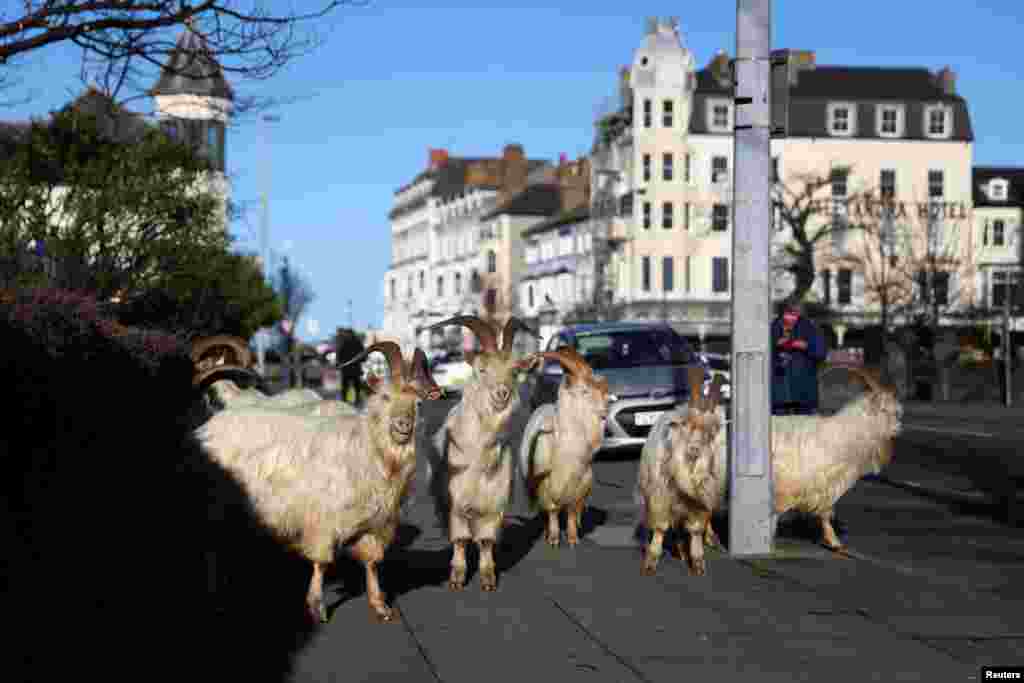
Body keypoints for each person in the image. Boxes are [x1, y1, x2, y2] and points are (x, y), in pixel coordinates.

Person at [771, 300, 827, 416]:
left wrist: (805, 346)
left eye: (795, 314)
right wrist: (775, 345)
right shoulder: (772, 328)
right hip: (778, 395)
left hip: (804, 393)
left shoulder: (809, 329)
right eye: (788, 314)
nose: (791, 318)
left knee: (805, 427)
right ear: (782, 314)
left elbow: (821, 353)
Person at [336, 328, 366, 406]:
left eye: (347, 333)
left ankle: (355, 399)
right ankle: (345, 400)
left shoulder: (347, 342)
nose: (347, 335)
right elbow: (339, 355)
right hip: (350, 368)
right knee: (347, 385)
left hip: (351, 367)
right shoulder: (346, 342)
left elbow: (363, 355)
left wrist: (339, 363)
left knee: (355, 385)